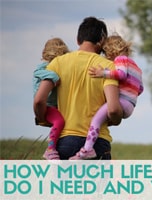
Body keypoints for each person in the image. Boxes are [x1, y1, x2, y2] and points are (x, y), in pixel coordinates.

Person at [33, 16, 123, 160]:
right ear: (102, 42)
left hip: (64, 142)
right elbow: (113, 109)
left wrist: (42, 117)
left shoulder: (57, 63)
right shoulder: (108, 67)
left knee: (64, 184)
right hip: (97, 144)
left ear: (78, 39)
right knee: (98, 184)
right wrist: (116, 119)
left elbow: (38, 100)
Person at [69, 35, 144, 160]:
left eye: (105, 53)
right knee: (102, 119)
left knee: (96, 120)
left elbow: (120, 74)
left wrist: (102, 73)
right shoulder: (136, 67)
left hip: (122, 102)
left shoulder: (121, 59)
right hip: (130, 105)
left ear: (111, 50)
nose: (106, 57)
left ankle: (87, 150)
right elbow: (140, 89)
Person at [33, 38, 69, 160]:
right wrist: (54, 77)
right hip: (47, 105)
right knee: (59, 121)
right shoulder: (44, 66)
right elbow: (37, 72)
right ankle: (50, 149)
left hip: (53, 104)